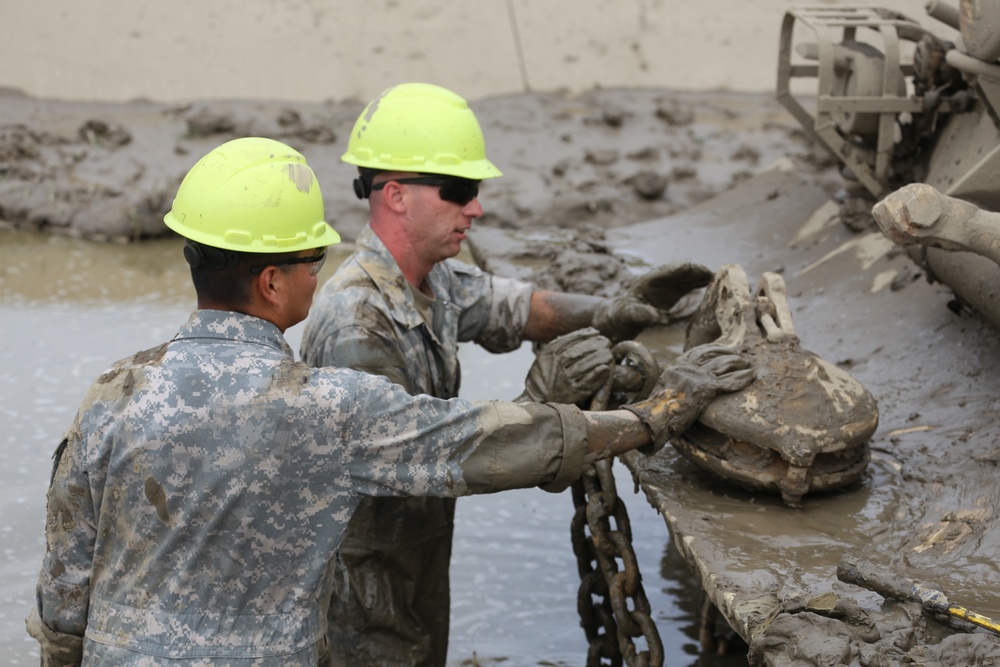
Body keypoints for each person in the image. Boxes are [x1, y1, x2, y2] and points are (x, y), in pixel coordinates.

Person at [26, 136, 752, 666]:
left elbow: (64, 585)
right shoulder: (326, 408)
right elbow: (473, 442)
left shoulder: (112, 390)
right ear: (272, 283)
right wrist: (653, 417)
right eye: (313, 260)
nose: (322, 273)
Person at [299, 82, 724, 667]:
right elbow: (423, 463)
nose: (475, 209)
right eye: (459, 191)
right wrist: (543, 401)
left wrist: (611, 312)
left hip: (408, 562)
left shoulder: (427, 278)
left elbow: (517, 307)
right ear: (395, 195)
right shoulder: (357, 326)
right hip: (363, 587)